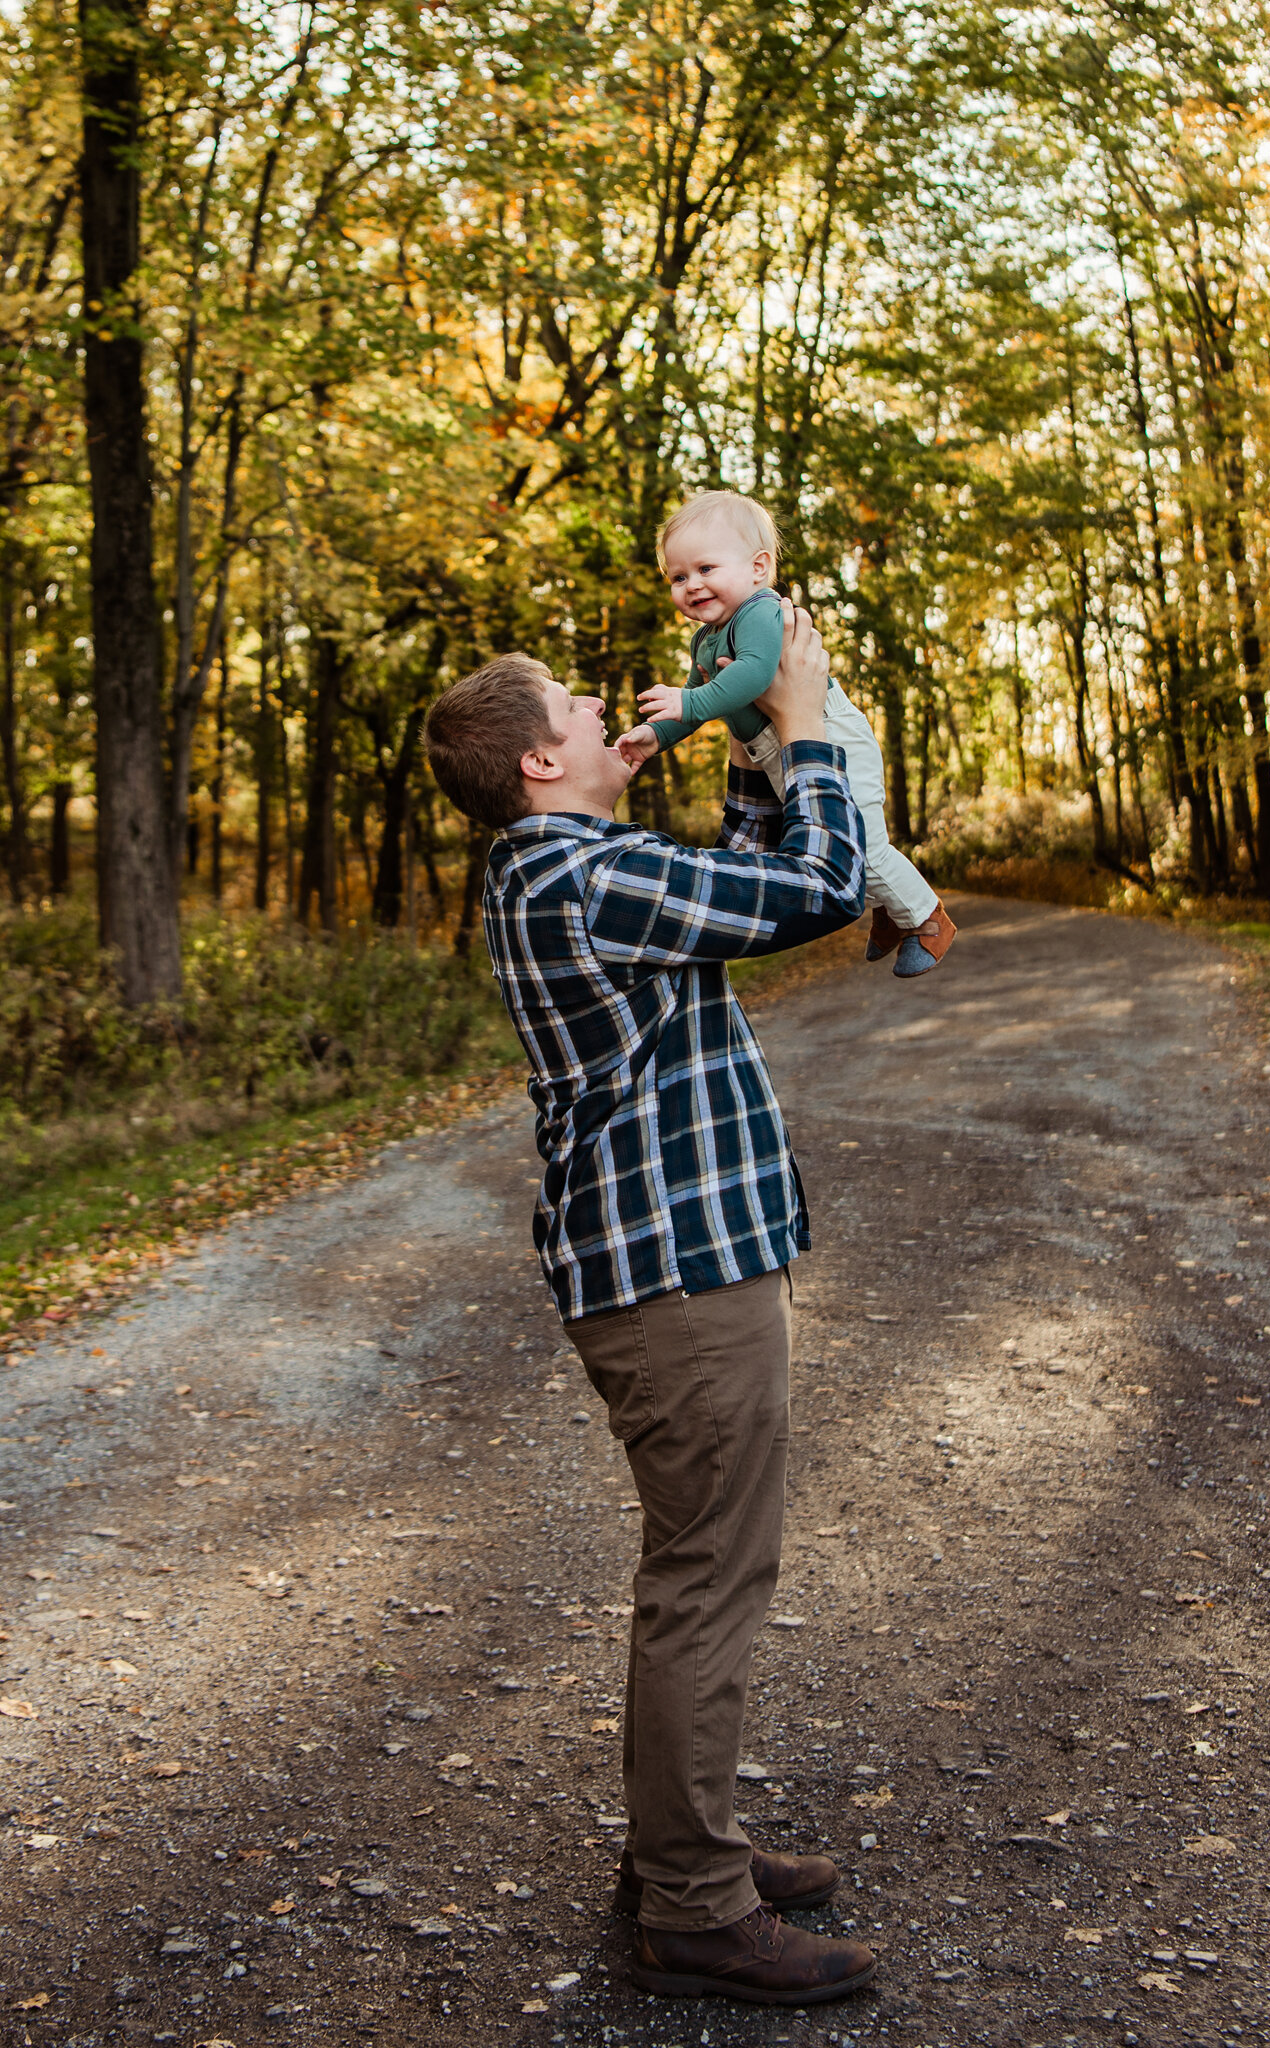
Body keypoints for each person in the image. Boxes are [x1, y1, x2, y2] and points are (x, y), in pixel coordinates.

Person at [423, 606, 877, 2008]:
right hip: (675, 1277)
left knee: (699, 1566)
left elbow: (738, 876)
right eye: (572, 703)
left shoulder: (578, 861)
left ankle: (686, 1850)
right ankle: (691, 1903)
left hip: (673, 1259)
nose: (598, 701)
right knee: (707, 1578)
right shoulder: (578, 876)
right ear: (542, 765)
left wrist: (734, 744)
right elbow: (816, 888)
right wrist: (799, 720)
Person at [616, 487, 956, 978]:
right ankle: (891, 914)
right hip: (781, 750)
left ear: (757, 568)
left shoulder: (759, 612)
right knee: (835, 837)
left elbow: (752, 675)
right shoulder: (706, 638)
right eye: (678, 576)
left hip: (829, 736)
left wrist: (688, 699)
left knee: (862, 844)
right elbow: (696, 706)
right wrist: (656, 735)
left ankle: (927, 919)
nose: (691, 585)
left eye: (706, 569)